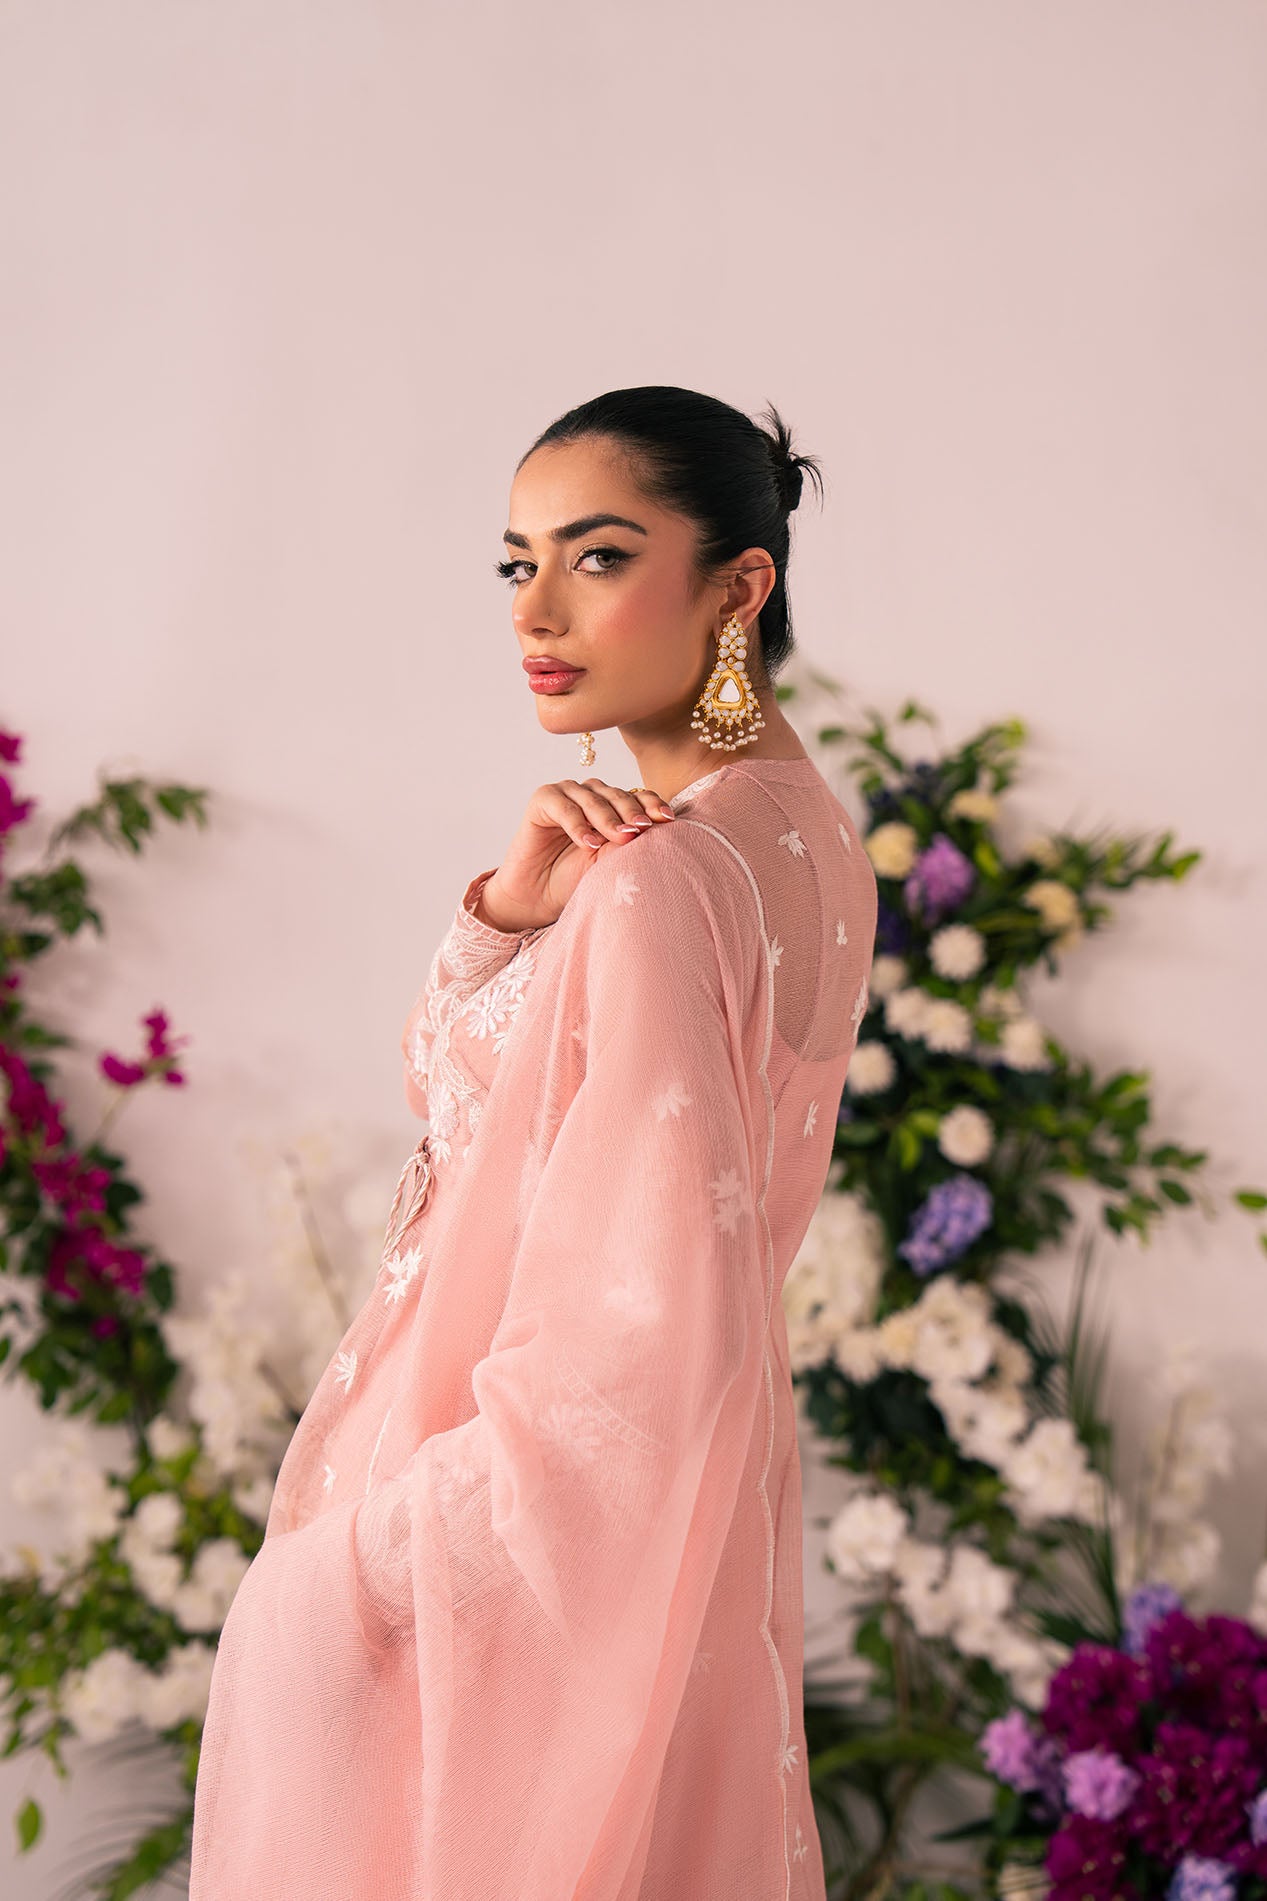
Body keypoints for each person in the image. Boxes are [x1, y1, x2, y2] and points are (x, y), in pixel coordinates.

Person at [188, 384, 879, 1900]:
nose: (536, 610)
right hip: (697, 1530)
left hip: (530, 1559)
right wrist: (513, 910)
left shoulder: (665, 875)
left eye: (599, 556)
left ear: (739, 587)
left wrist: (343, 1579)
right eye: (519, 562)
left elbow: (625, 1352)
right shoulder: (805, 832)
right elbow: (485, 1114)